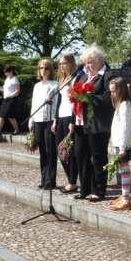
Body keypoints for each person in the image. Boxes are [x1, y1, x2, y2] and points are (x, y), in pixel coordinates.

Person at [73, 44, 115, 202]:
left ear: (100, 60)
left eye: (90, 61)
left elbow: (108, 99)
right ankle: (84, 189)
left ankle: (98, 190)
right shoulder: (83, 76)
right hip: (81, 122)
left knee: (97, 158)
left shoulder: (107, 76)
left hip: (98, 123)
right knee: (81, 156)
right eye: (85, 62)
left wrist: (89, 97)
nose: (87, 65)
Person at [29, 59, 59, 189]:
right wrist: (31, 119)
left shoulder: (55, 84)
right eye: (41, 68)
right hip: (38, 120)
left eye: (46, 68)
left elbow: (56, 104)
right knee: (42, 151)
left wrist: (55, 120)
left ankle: (50, 180)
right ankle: (44, 178)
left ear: (50, 70)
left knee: (50, 151)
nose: (43, 70)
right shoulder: (37, 86)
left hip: (49, 120)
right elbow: (34, 104)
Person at [107, 77, 131, 210]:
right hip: (119, 143)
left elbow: (125, 127)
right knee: (122, 169)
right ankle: (124, 196)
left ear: (121, 90)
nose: (112, 94)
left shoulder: (125, 105)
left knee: (124, 170)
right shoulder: (120, 105)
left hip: (124, 144)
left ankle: (126, 198)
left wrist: (122, 147)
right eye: (111, 91)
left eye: (113, 91)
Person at [52, 54, 78, 194]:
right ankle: (70, 178)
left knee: (69, 150)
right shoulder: (62, 78)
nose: (62, 66)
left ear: (71, 63)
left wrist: (73, 120)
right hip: (61, 115)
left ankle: (72, 182)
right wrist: (55, 119)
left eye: (64, 63)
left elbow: (76, 101)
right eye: (60, 64)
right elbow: (59, 101)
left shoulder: (76, 77)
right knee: (59, 149)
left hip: (70, 116)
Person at [0, 65, 21, 140]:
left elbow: (17, 91)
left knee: (6, 115)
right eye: (5, 72)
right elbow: (6, 90)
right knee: (5, 116)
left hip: (12, 99)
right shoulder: (7, 79)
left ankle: (0, 132)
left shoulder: (15, 79)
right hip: (5, 99)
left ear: (11, 71)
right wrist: (1, 89)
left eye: (7, 72)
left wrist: (10, 96)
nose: (5, 74)